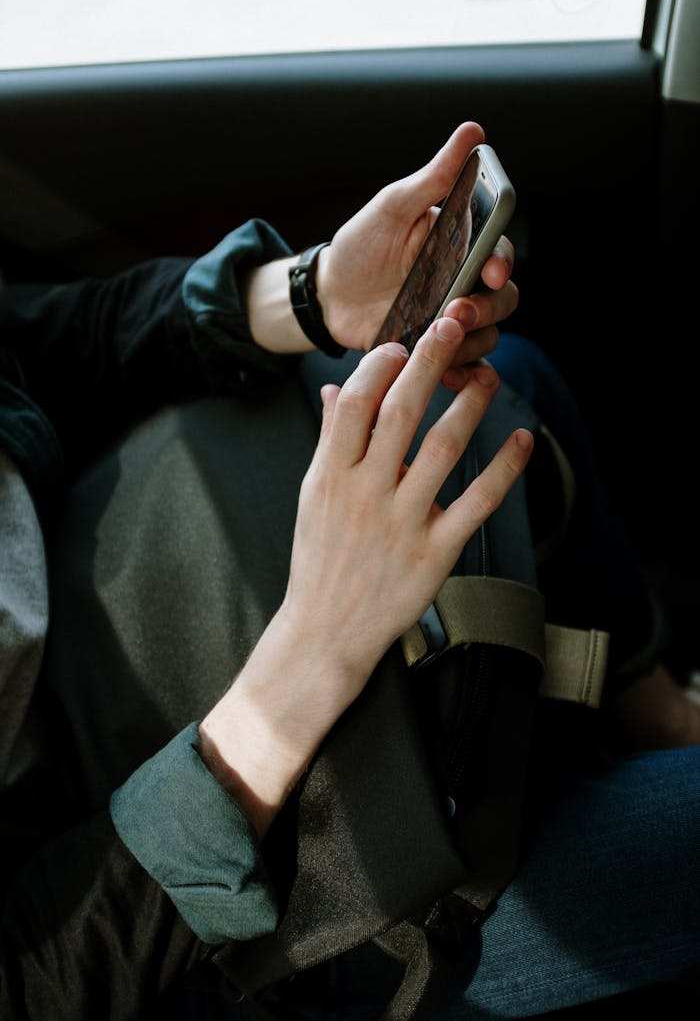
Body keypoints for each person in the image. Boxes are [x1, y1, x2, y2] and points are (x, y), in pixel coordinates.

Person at [0, 121, 698, 1021]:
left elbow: (52, 339)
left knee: (511, 375)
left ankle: (657, 710)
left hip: (150, 570)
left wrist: (310, 294)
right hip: (201, 904)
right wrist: (313, 645)